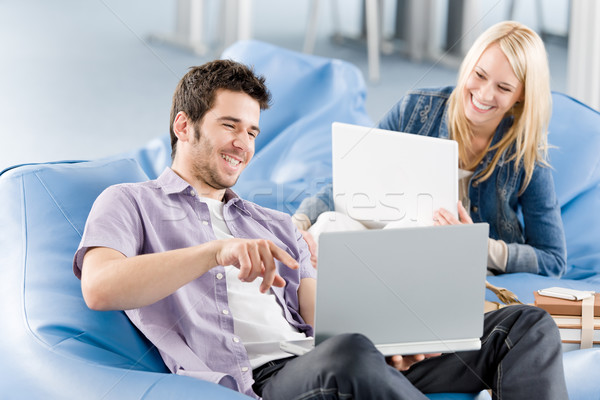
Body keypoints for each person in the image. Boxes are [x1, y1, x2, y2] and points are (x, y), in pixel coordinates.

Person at [73, 59, 568, 399]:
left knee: (524, 325)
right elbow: (99, 287)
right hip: (269, 379)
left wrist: (395, 341)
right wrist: (214, 252)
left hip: (334, 355)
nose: (242, 145)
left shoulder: (273, 224)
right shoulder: (130, 202)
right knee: (348, 354)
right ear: (184, 126)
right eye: (229, 126)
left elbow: (320, 313)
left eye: (251, 132)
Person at [293, 21, 567, 277]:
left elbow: (553, 258)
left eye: (503, 87)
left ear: (522, 95)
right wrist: (299, 223)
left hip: (456, 261)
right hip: (385, 234)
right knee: (328, 225)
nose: (483, 94)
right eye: (479, 75)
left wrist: (478, 246)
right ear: (468, 65)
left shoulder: (527, 155)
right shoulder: (414, 110)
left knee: (410, 232)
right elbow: (347, 185)